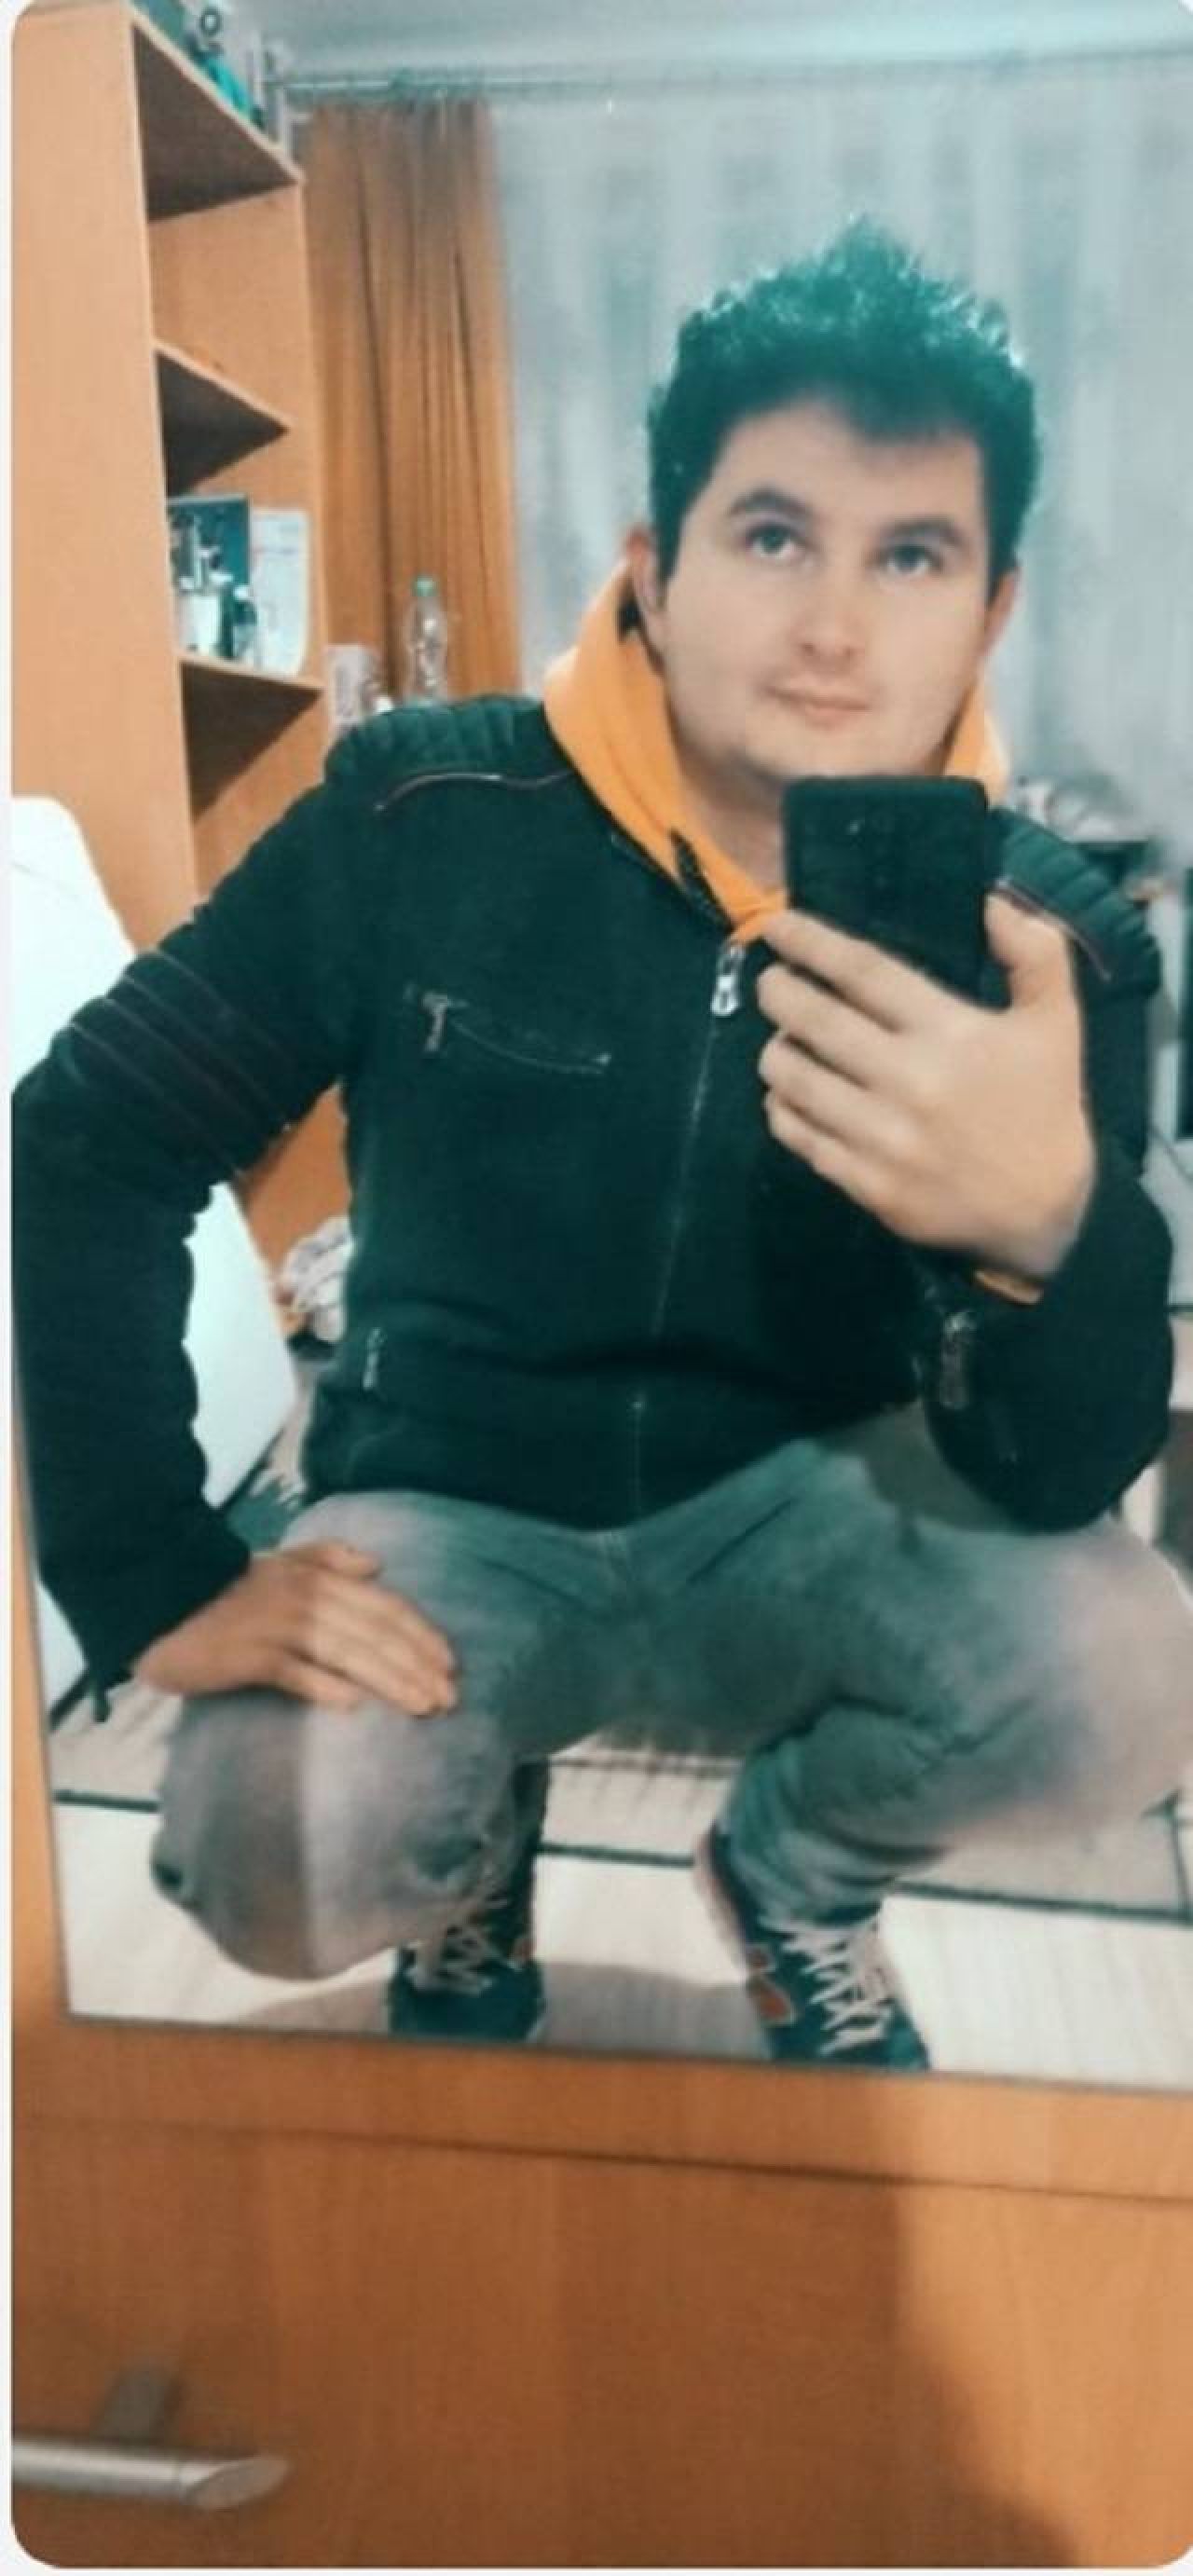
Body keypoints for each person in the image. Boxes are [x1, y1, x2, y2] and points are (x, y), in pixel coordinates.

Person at [14, 222, 1193, 2071]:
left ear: (992, 607)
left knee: (1134, 1673)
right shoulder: (419, 812)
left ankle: (794, 1878)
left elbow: (1067, 1467)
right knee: (270, 1840)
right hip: (457, 1515)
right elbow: (84, 1140)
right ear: (654, 567)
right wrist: (150, 1575)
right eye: (774, 534)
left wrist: (1053, 1224)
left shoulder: (1048, 939)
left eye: (911, 555)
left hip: (824, 1511)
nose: (835, 626)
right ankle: (469, 1862)